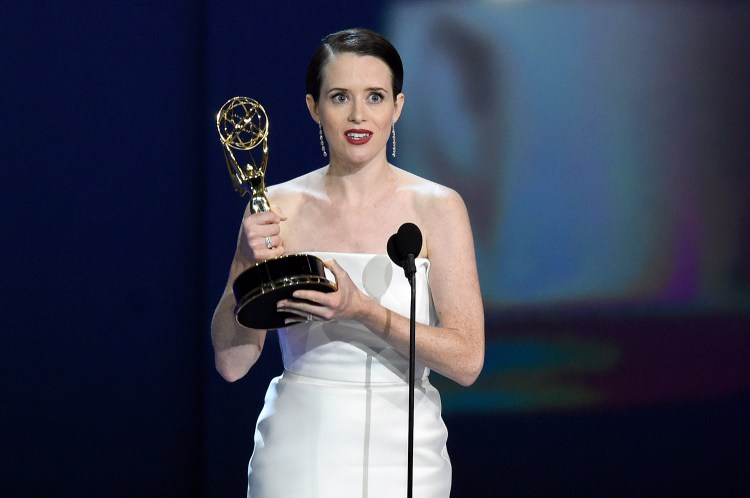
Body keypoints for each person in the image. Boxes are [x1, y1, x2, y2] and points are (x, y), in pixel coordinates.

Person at [211, 27, 484, 498]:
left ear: (398, 106)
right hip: (301, 450)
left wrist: (364, 310)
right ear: (314, 107)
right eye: (340, 97)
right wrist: (242, 258)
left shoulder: (439, 208)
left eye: (375, 96)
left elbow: (466, 361)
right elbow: (232, 363)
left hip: (407, 453)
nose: (359, 116)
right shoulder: (279, 208)